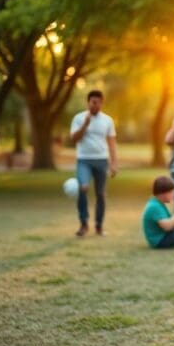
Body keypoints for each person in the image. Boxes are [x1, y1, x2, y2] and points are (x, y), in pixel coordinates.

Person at [69, 90, 118, 237]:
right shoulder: (78, 118)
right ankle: (84, 224)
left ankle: (99, 225)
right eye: (92, 102)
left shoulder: (107, 120)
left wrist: (114, 163)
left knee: (101, 194)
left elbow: (112, 143)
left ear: (101, 103)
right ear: (88, 102)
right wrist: (85, 124)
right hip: (83, 159)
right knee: (83, 188)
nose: (94, 105)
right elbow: (74, 139)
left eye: (97, 102)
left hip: (101, 160)